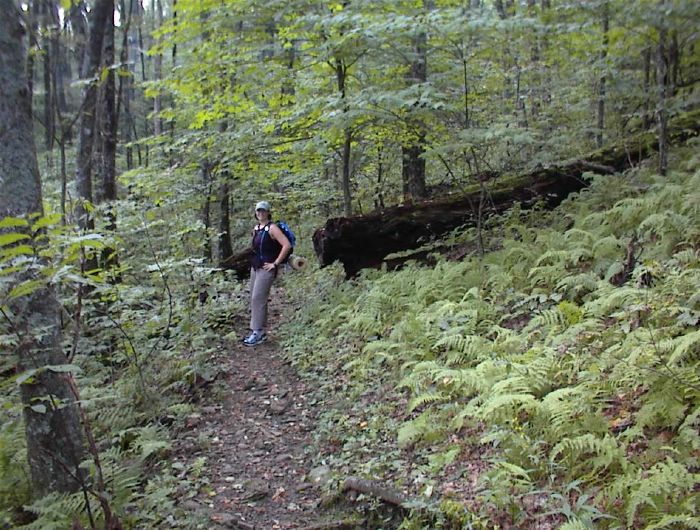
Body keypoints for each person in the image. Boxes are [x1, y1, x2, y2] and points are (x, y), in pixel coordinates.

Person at [243, 200, 292, 346]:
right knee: (254, 297)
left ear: (268, 212)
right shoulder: (257, 228)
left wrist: (275, 263)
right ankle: (259, 331)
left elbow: (286, 245)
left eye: (263, 211)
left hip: (267, 268)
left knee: (258, 298)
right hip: (256, 267)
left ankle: (257, 331)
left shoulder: (272, 228)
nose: (260, 213)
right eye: (258, 211)